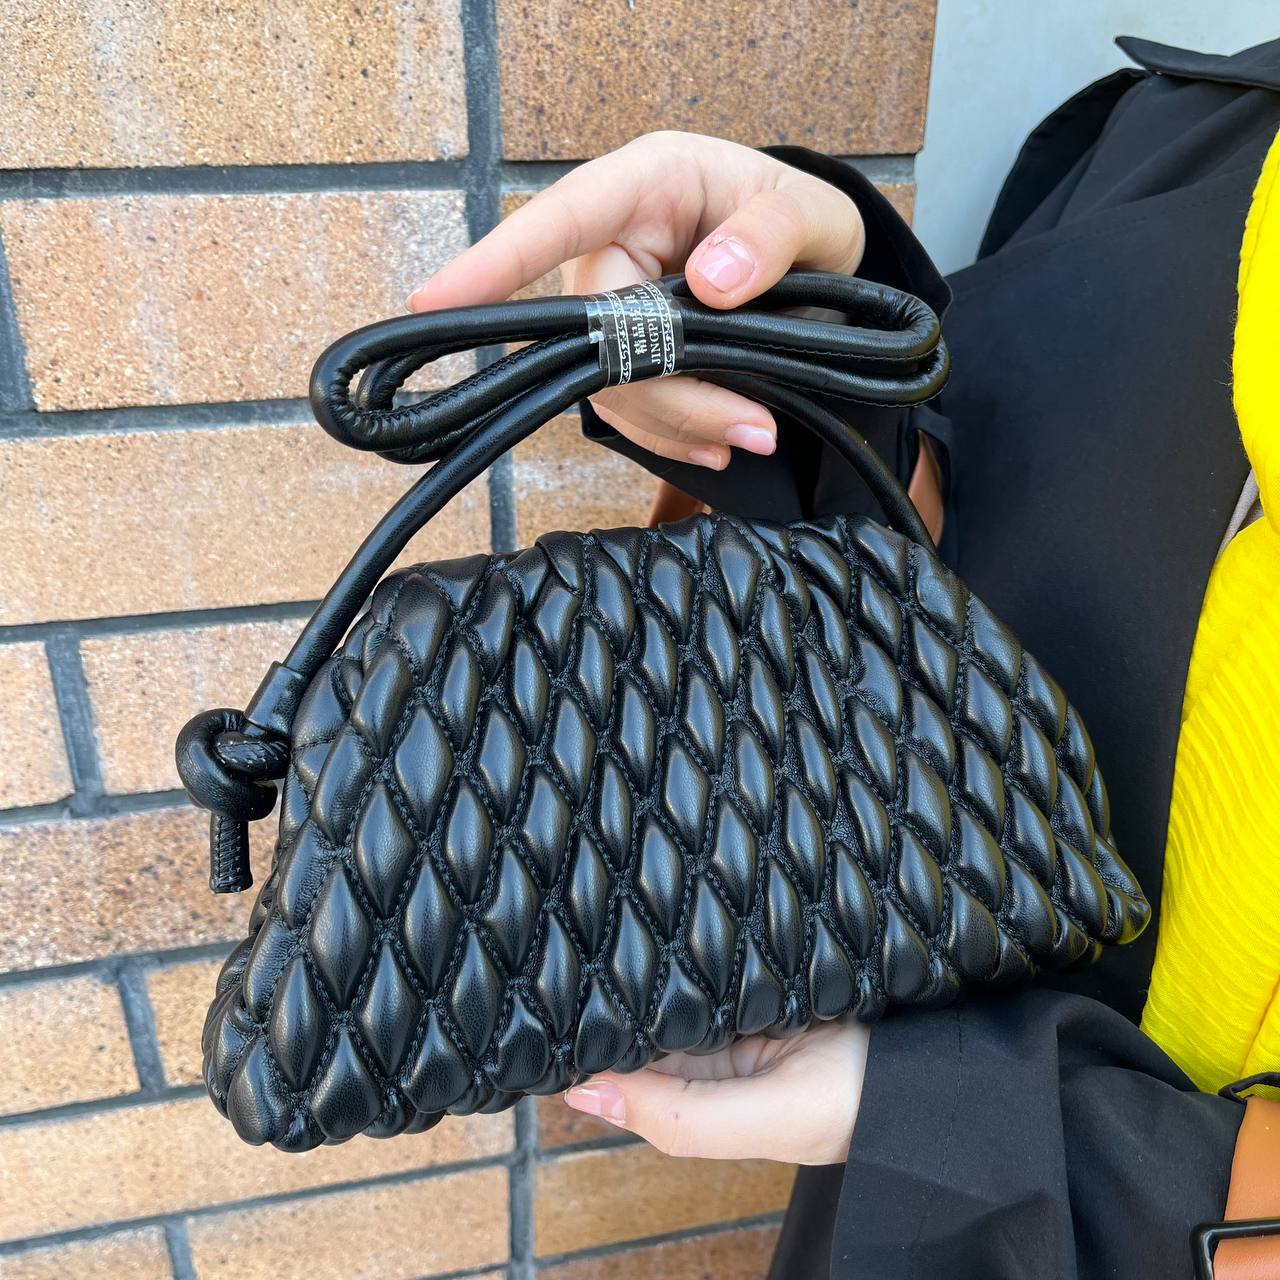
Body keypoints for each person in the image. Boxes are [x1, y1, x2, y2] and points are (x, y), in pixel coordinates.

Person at [406, 36, 1280, 1279]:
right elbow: (954, 550)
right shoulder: (1204, 131)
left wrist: (958, 1120)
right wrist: (811, 327)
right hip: (904, 1105)